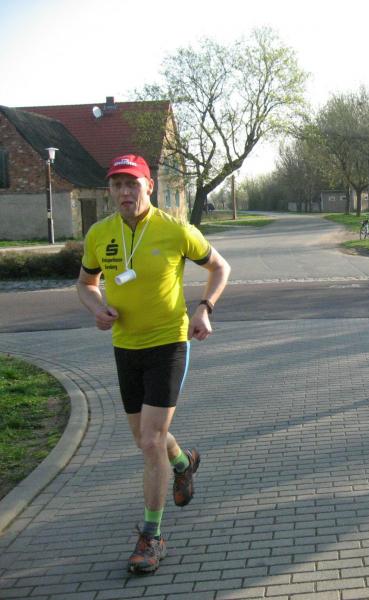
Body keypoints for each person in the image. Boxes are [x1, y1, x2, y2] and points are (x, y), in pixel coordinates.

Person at [76, 154, 231, 574]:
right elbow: (86, 283)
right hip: (126, 346)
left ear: (150, 186)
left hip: (168, 343)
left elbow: (220, 267)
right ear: (110, 190)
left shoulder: (175, 228)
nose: (125, 192)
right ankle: (183, 463)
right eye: (117, 185)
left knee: (150, 440)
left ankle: (152, 536)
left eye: (133, 184)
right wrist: (96, 307)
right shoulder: (99, 234)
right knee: (146, 439)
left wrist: (204, 308)